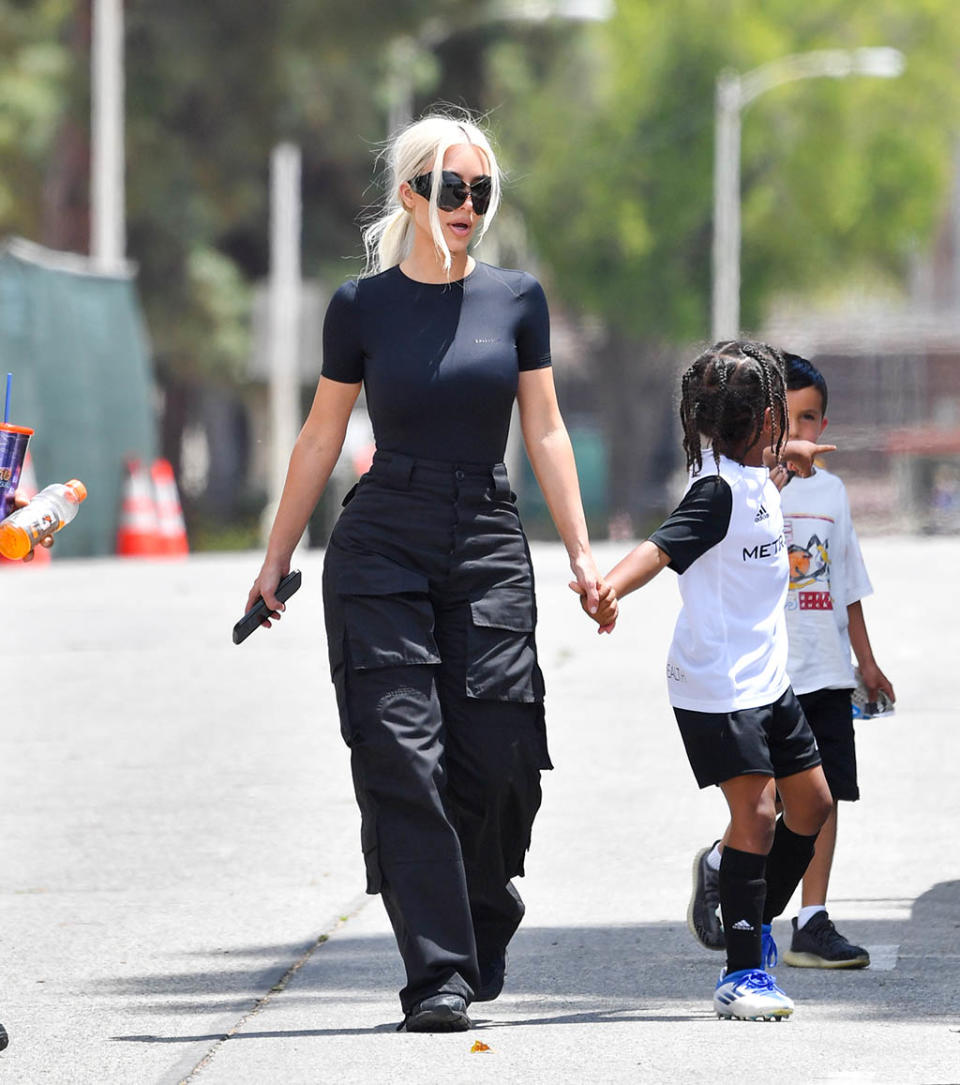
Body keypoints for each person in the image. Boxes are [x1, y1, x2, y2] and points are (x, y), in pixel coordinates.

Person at [245, 111, 607, 1033]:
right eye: (452, 188)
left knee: (499, 755)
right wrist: (276, 557)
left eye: (482, 191)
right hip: (383, 540)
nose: (469, 206)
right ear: (411, 193)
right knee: (402, 755)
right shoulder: (359, 309)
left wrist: (578, 549)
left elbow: (547, 427)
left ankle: (486, 906)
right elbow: (323, 434)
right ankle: (436, 972)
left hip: (487, 534)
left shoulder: (517, 298)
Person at [573, 340, 835, 1020]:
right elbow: (659, 547)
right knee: (754, 814)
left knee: (811, 805)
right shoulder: (715, 491)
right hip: (716, 685)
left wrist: (793, 464)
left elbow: (766, 491)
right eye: (780, 418)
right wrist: (608, 591)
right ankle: (741, 971)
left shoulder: (752, 476)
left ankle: (730, 879)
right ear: (763, 421)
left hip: (767, 679)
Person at [688, 353, 895, 969]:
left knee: (822, 798)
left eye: (810, 418)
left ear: (823, 423)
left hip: (826, 670)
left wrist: (867, 663)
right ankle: (729, 872)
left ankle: (811, 918)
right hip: (766, 673)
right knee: (766, 806)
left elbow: (848, 587)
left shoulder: (831, 494)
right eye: (787, 421)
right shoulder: (746, 490)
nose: (799, 433)